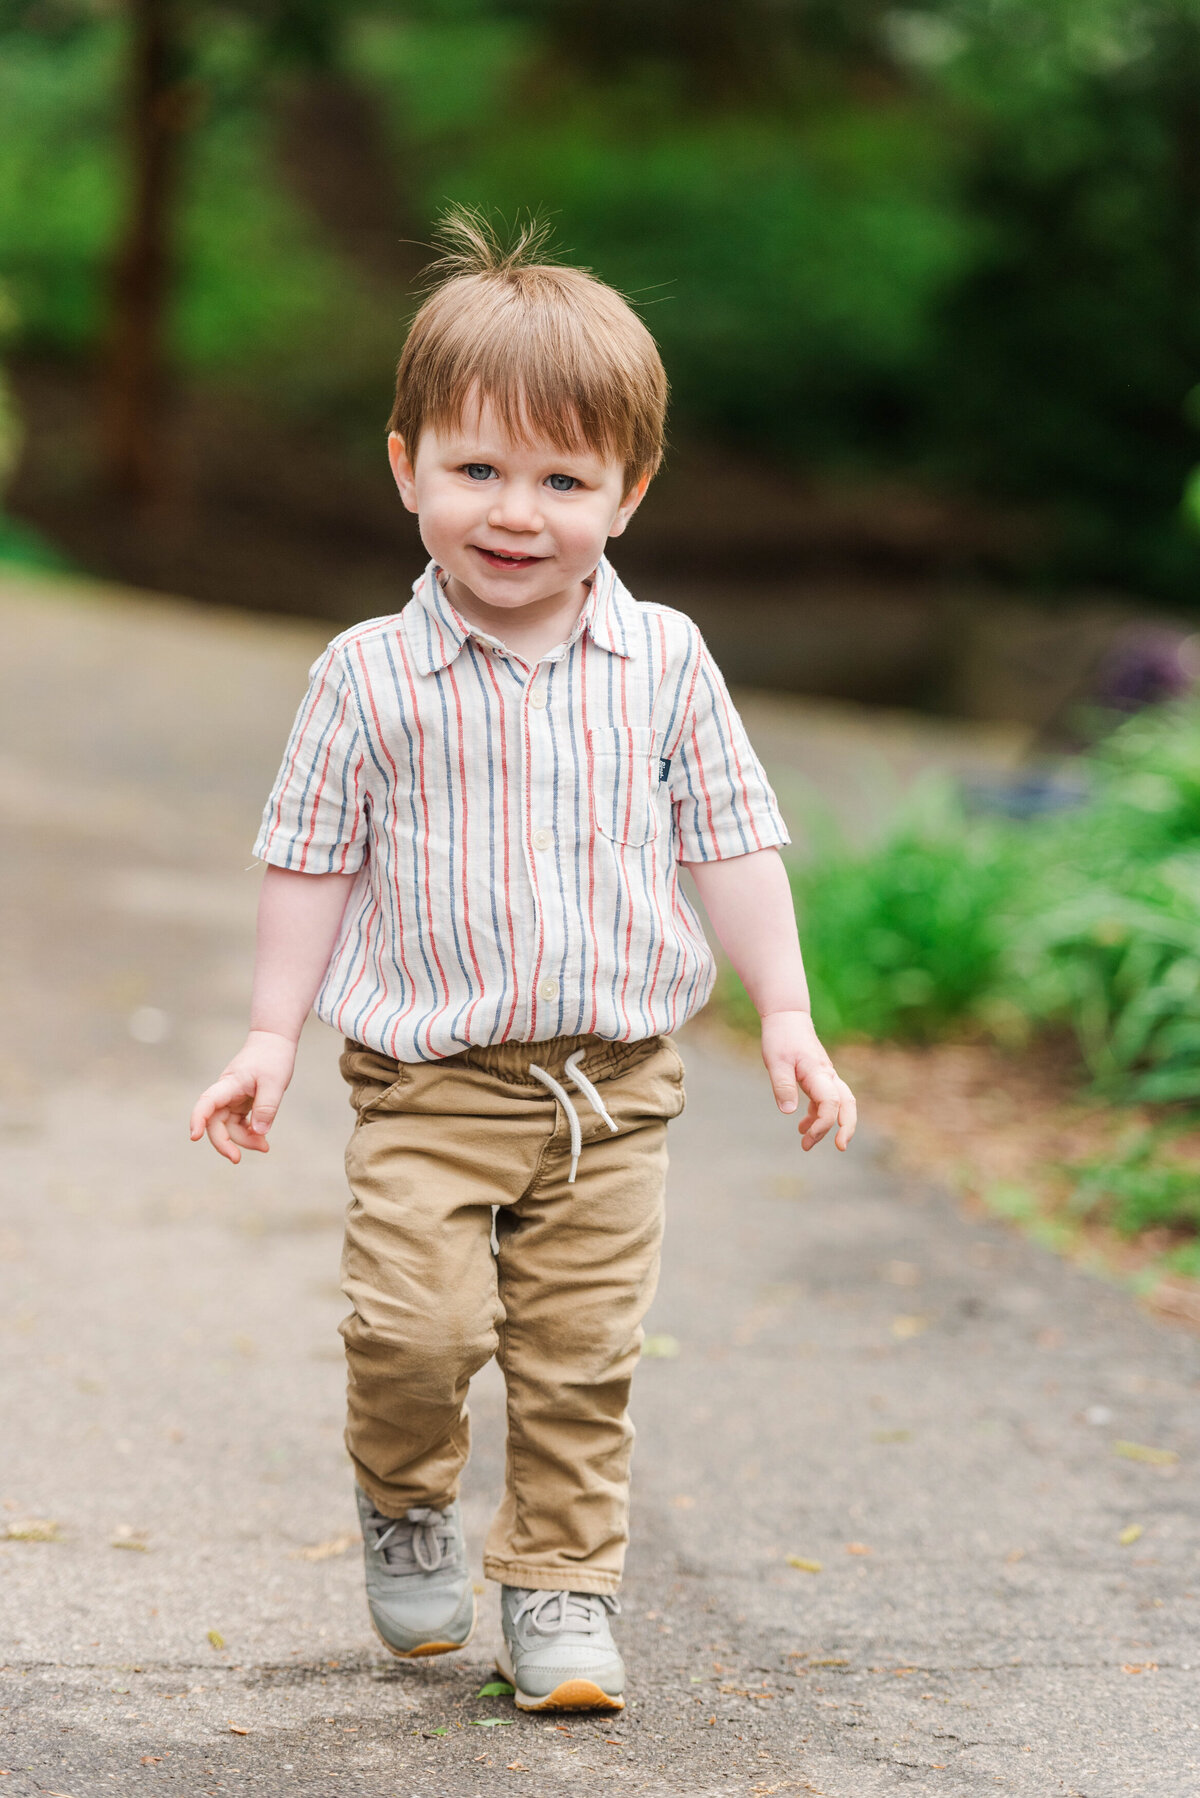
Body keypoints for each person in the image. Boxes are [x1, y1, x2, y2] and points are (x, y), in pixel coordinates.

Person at [189, 211, 856, 1714]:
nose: (517, 511)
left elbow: (731, 838)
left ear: (628, 492)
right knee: (415, 1331)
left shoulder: (668, 661)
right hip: (430, 1083)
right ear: (405, 463)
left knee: (579, 1357)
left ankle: (560, 1585)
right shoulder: (365, 674)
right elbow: (313, 854)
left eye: (564, 478)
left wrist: (794, 1014)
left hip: (614, 1091)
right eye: (477, 467)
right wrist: (269, 1034)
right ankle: (406, 1490)